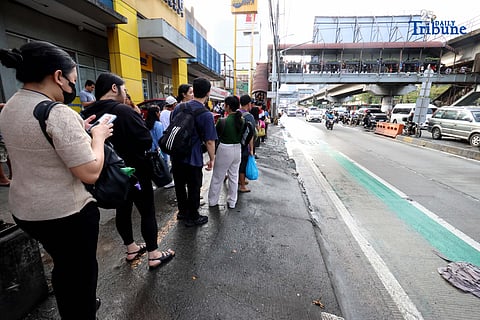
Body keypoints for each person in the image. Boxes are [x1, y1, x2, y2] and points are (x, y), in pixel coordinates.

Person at [0, 40, 112, 320]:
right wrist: (97, 137)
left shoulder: (10, 107)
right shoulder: (57, 113)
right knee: (82, 272)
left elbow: (38, 145)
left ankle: (71, 306)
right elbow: (90, 171)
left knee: (64, 266)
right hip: (65, 213)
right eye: (72, 80)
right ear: (58, 77)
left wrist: (78, 131)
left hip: (26, 210)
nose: (73, 87)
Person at [80, 72, 175, 270]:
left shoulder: (85, 114)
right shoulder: (123, 110)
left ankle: (131, 249)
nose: (125, 93)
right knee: (147, 211)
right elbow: (145, 140)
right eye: (123, 88)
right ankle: (154, 254)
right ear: (114, 88)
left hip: (108, 174)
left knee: (122, 210)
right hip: (135, 172)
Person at [171, 78, 217, 227]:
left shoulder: (179, 107)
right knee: (194, 186)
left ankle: (182, 212)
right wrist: (212, 159)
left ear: (194, 91)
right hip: (193, 157)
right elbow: (210, 141)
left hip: (176, 154)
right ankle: (193, 216)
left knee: (179, 185)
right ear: (208, 92)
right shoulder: (206, 114)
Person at [208, 96, 243, 209]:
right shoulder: (242, 120)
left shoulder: (222, 121)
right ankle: (232, 202)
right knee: (234, 176)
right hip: (238, 150)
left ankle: (213, 201)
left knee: (218, 176)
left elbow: (215, 136)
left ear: (227, 106)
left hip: (224, 149)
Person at [238, 94, 255, 193]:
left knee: (236, 164)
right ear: (249, 104)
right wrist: (251, 149)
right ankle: (242, 185)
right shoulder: (249, 116)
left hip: (234, 144)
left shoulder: (235, 113)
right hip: (244, 145)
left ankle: (238, 180)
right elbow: (251, 135)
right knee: (242, 165)